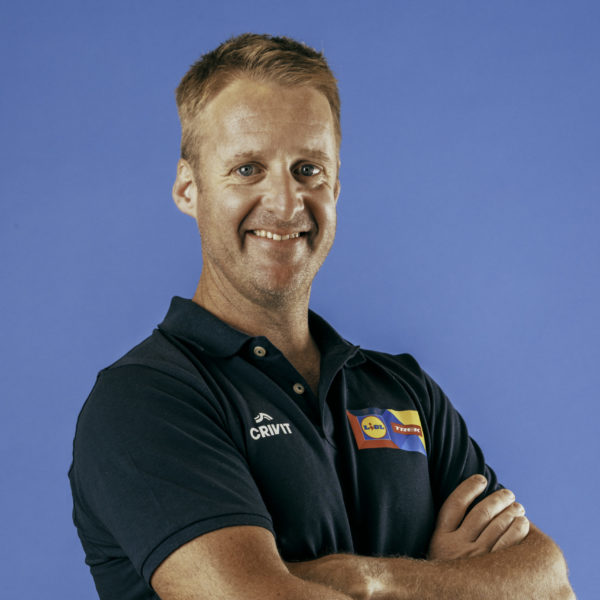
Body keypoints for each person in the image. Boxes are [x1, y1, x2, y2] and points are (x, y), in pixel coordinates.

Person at [69, 33, 574, 599]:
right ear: (189, 188)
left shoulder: (405, 391)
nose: (286, 203)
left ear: (335, 185)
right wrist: (449, 583)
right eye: (247, 169)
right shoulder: (146, 400)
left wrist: (365, 579)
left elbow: (551, 585)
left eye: (308, 169)